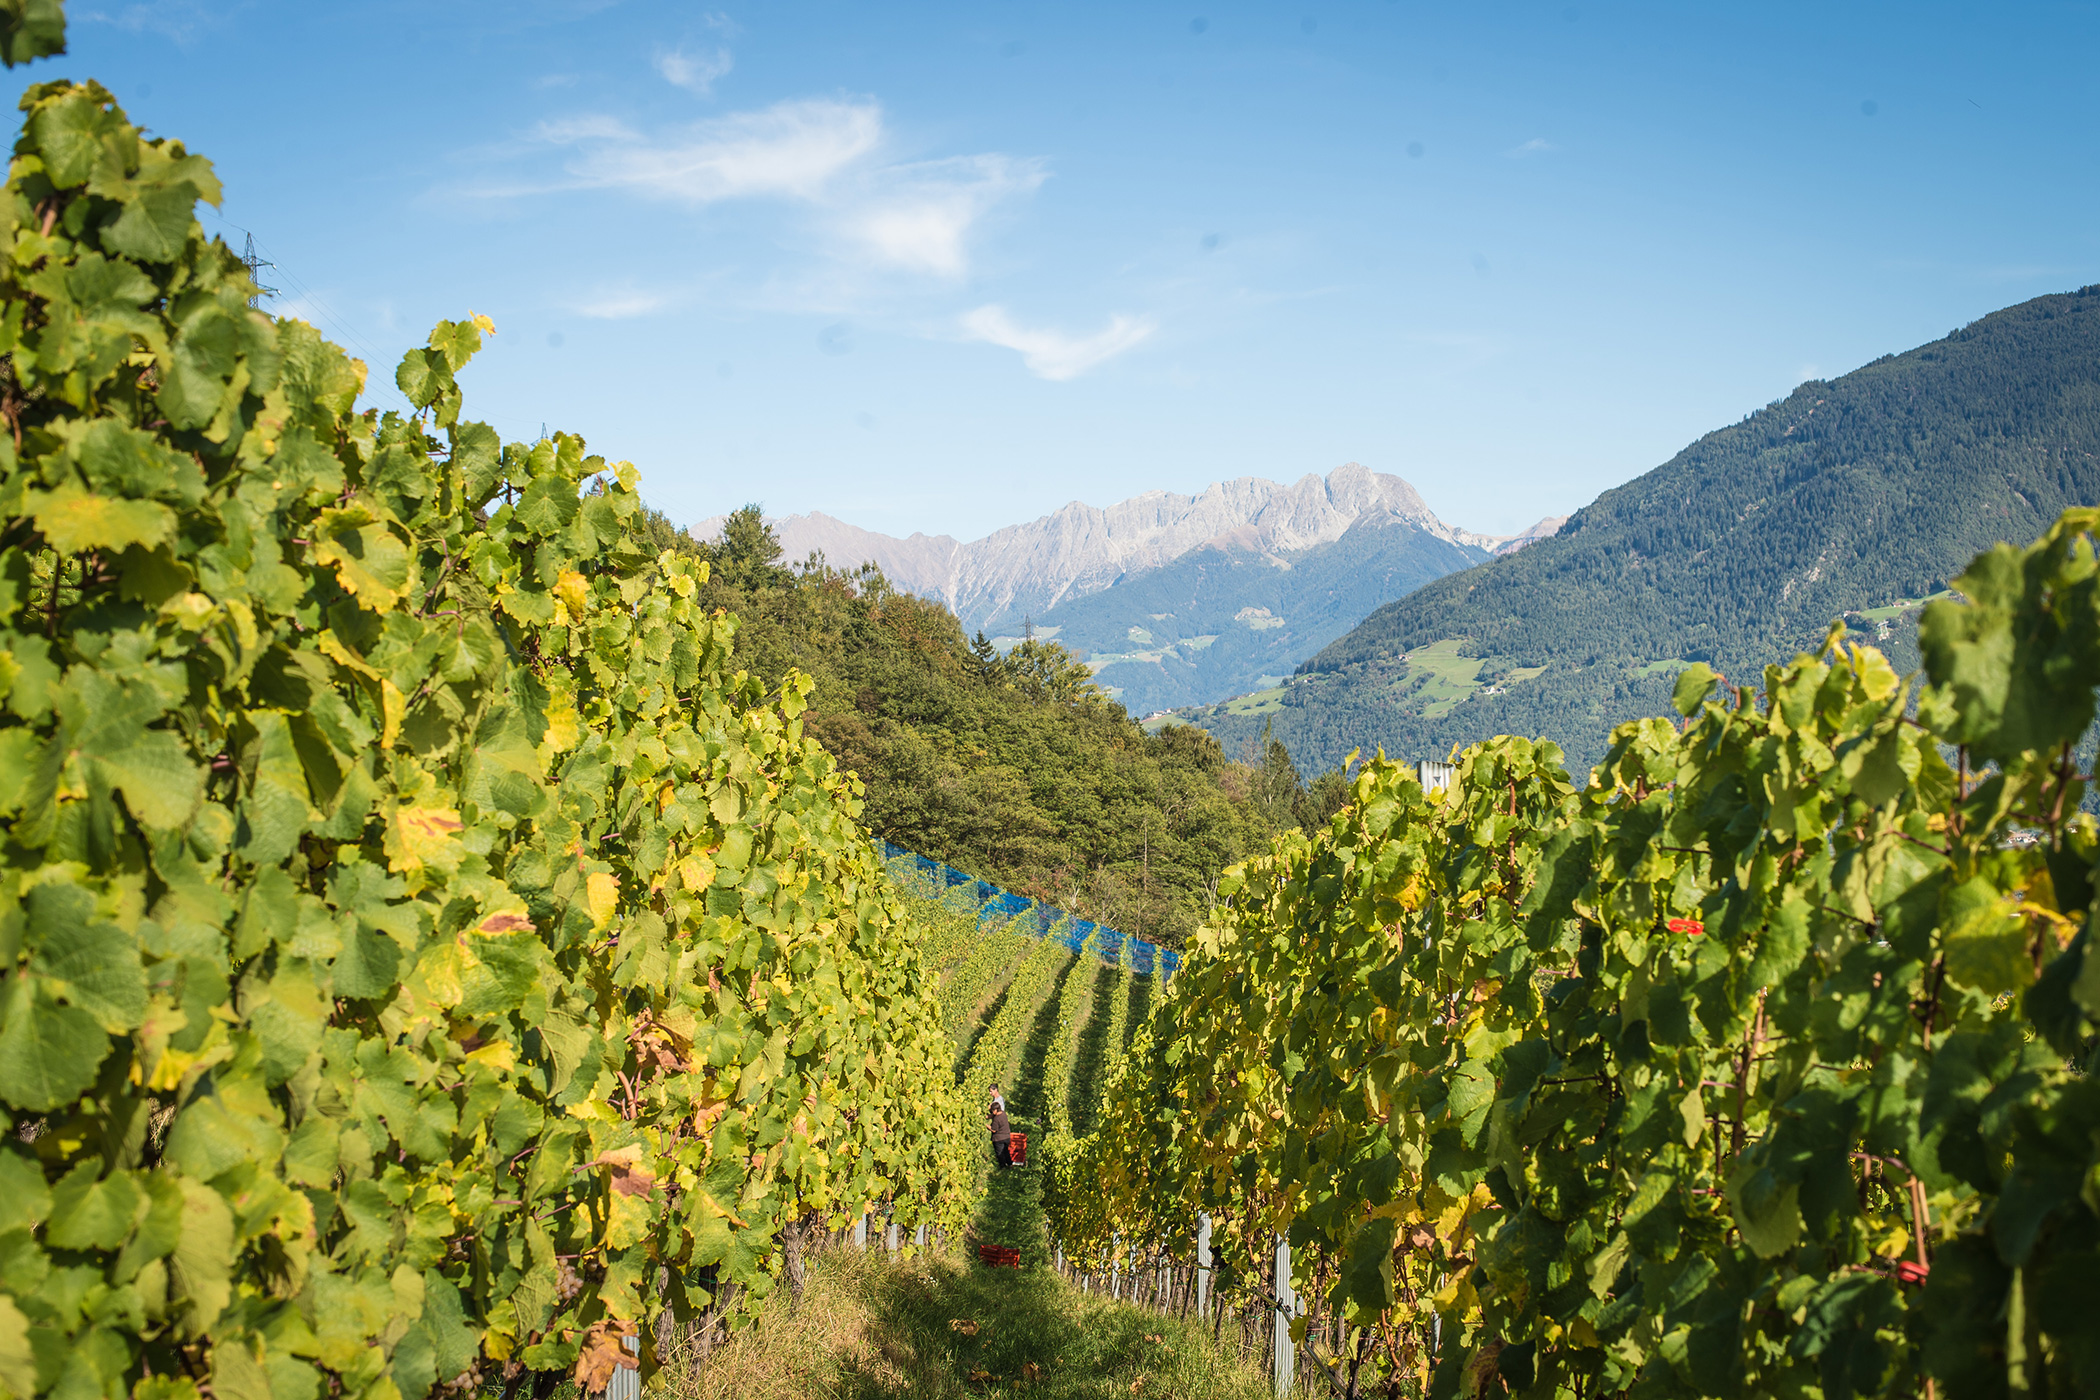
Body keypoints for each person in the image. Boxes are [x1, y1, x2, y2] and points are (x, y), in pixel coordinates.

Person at [990, 1099, 1013, 1170]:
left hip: (999, 1139)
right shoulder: (1003, 1113)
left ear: (996, 1110)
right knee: (1006, 1151)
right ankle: (1010, 1164)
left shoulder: (996, 1119)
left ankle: (1002, 1167)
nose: (992, 1112)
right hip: (1007, 1137)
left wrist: (987, 1126)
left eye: (992, 1111)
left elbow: (994, 1129)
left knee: (1000, 1153)